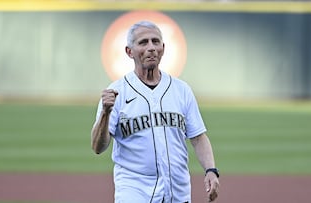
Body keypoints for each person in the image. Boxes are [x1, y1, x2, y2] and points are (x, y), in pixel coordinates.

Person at [91, 20, 220, 203]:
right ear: (129, 51)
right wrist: (105, 113)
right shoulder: (117, 92)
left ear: (163, 48)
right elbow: (98, 147)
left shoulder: (181, 90)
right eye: (143, 42)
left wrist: (211, 170)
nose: (151, 47)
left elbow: (198, 137)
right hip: (134, 192)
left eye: (155, 41)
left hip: (177, 192)